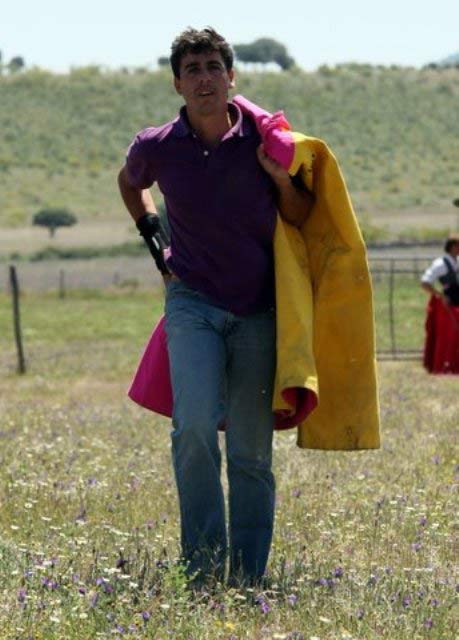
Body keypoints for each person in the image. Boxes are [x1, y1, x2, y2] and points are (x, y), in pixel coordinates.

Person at [117, 27, 314, 587]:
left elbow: (300, 215)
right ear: (177, 83)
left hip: (259, 308)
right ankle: (202, 570)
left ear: (232, 76)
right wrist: (157, 243)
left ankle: (248, 576)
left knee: (251, 450)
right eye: (192, 69)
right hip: (192, 301)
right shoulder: (157, 145)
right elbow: (130, 183)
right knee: (195, 427)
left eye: (213, 67)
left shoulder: (266, 141)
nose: (204, 78)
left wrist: (281, 179)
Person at [421, 235, 459, 306]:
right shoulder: (441, 264)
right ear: (453, 247)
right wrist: (441, 296)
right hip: (451, 305)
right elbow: (425, 283)